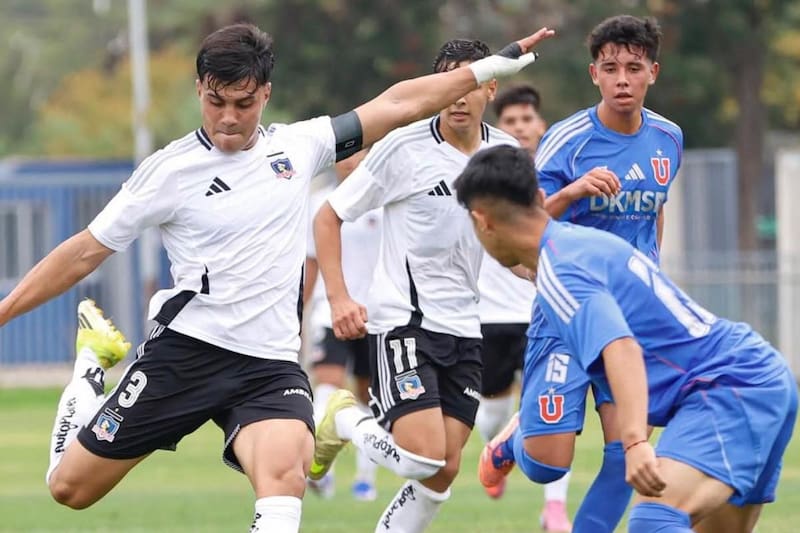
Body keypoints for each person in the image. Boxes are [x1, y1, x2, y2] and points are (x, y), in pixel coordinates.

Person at [0, 23, 553, 533]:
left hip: (268, 368)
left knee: (285, 483)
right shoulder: (169, 170)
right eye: (215, 102)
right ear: (199, 90)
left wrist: (486, 70)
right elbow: (82, 253)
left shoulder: (300, 146)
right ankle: (90, 370)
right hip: (187, 355)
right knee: (70, 490)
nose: (228, 118)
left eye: (242, 104)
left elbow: (399, 104)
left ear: (264, 94)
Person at [454, 143, 797, 533]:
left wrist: (634, 443)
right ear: (540, 197)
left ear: (481, 221)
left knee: (654, 520)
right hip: (755, 374)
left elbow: (621, 347)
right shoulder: (578, 244)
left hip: (726, 388)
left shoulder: (561, 270)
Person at [311, 38, 525, 533]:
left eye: (470, 83)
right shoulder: (403, 149)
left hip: (466, 328)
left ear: (490, 88)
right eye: (449, 82)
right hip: (404, 323)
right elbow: (328, 216)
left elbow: (512, 244)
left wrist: (541, 271)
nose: (458, 95)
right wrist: (340, 297)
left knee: (443, 472)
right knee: (421, 458)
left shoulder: (506, 156)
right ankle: (343, 419)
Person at [477, 15, 682, 533]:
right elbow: (528, 221)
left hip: (630, 312)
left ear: (652, 73)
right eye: (610, 68)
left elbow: (653, 209)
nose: (622, 79)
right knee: (550, 461)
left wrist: (649, 274)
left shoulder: (669, 138)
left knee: (629, 450)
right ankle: (510, 443)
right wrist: (574, 191)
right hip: (568, 308)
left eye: (634, 68)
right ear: (594, 74)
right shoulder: (566, 141)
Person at [475, 83, 572, 532]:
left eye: (526, 120)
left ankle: (554, 509)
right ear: (500, 128)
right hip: (493, 314)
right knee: (492, 408)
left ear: (541, 126)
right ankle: (494, 445)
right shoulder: (485, 177)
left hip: (550, 312)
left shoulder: (561, 173)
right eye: (510, 121)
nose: (519, 128)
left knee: (556, 407)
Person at [304, 149, 382, 501]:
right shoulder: (320, 203)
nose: (352, 162)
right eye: (347, 155)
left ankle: (366, 478)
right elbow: (310, 263)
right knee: (328, 388)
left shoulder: (385, 201)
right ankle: (323, 472)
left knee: (369, 397)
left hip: (377, 315)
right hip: (329, 311)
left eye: (361, 155)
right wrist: (297, 314)